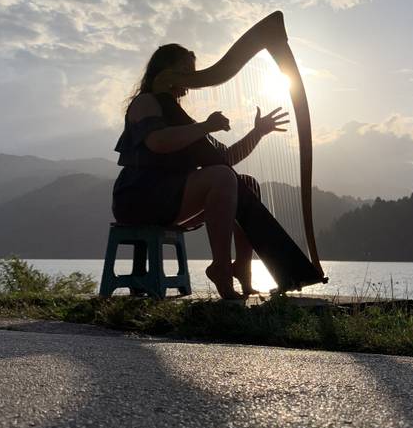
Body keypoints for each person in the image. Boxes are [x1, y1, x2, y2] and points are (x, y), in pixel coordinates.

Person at [112, 43, 288, 300]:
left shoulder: (180, 117)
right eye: (185, 70)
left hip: (170, 196)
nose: (192, 78)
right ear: (164, 71)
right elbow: (157, 142)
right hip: (140, 197)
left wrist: (257, 132)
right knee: (222, 177)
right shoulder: (145, 102)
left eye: (193, 72)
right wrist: (206, 126)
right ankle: (220, 267)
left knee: (245, 184)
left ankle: (242, 268)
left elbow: (225, 159)